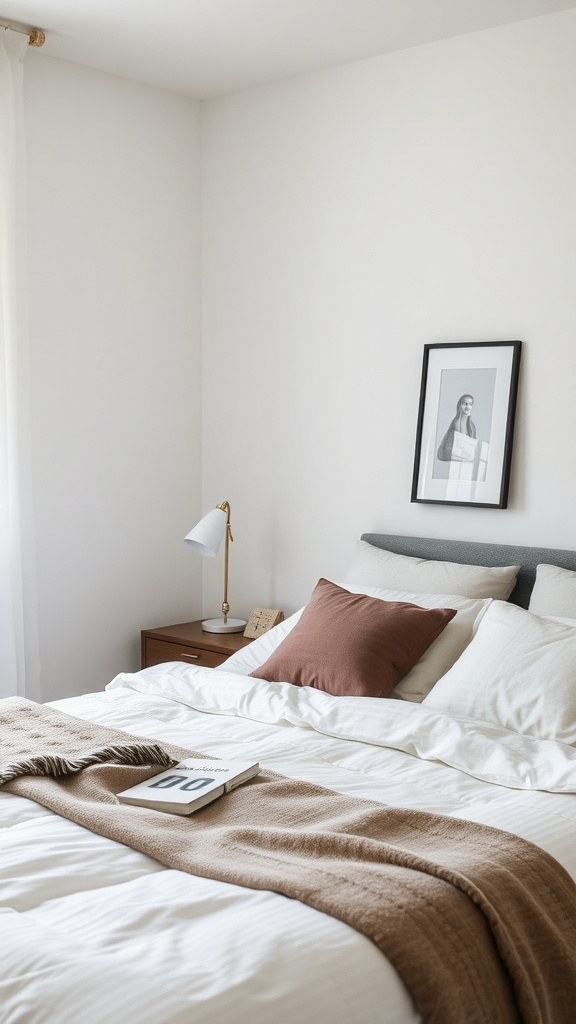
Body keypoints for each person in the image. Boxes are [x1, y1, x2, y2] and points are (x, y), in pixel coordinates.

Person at [437, 394, 477, 462]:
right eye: (465, 404)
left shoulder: (472, 426)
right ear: (460, 406)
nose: (468, 407)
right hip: (454, 457)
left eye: (470, 404)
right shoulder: (456, 422)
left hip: (466, 459)